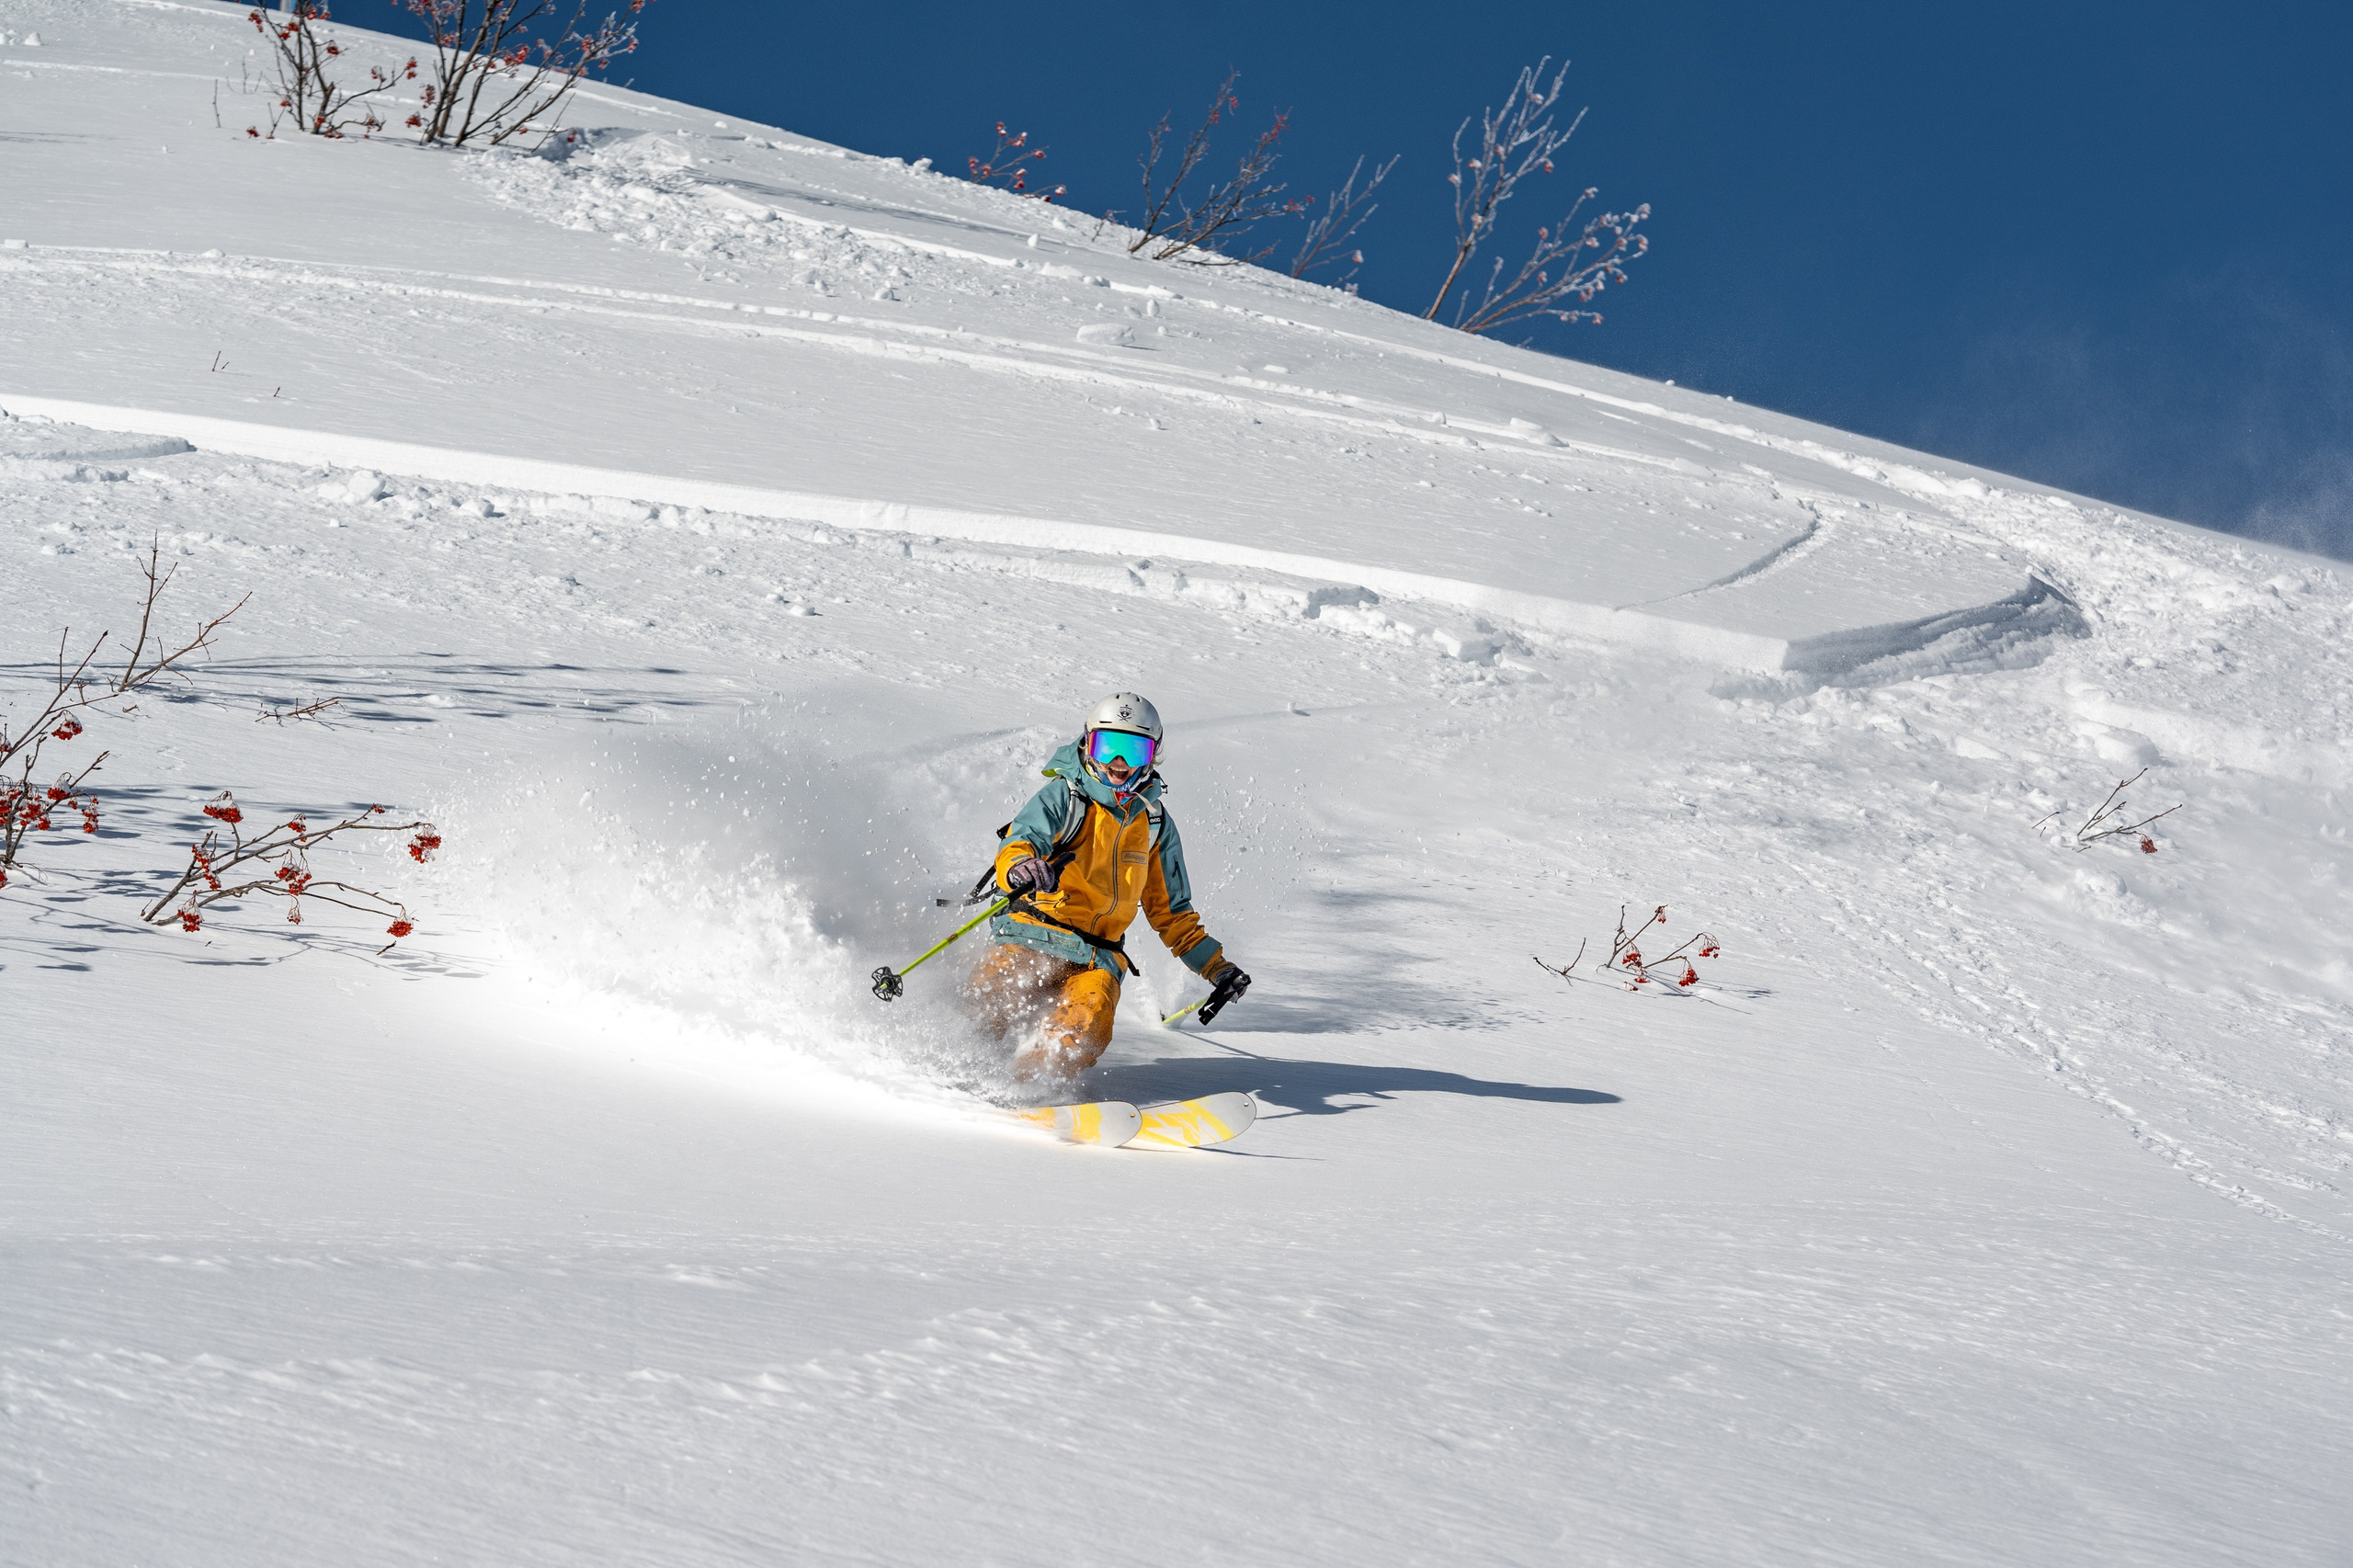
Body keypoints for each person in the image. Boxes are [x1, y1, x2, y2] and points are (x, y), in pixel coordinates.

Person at [964, 692, 1249, 1082]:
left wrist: (1217, 969)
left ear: (1152, 756)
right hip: (1030, 935)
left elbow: (1172, 913)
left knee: (1087, 1021)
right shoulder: (1065, 797)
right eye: (1109, 746)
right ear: (1088, 743)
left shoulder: (1154, 825)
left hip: (1096, 959)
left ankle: (1029, 1088)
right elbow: (1022, 838)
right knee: (994, 994)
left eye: (1133, 750)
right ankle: (959, 1067)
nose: (1119, 763)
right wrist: (1020, 867)